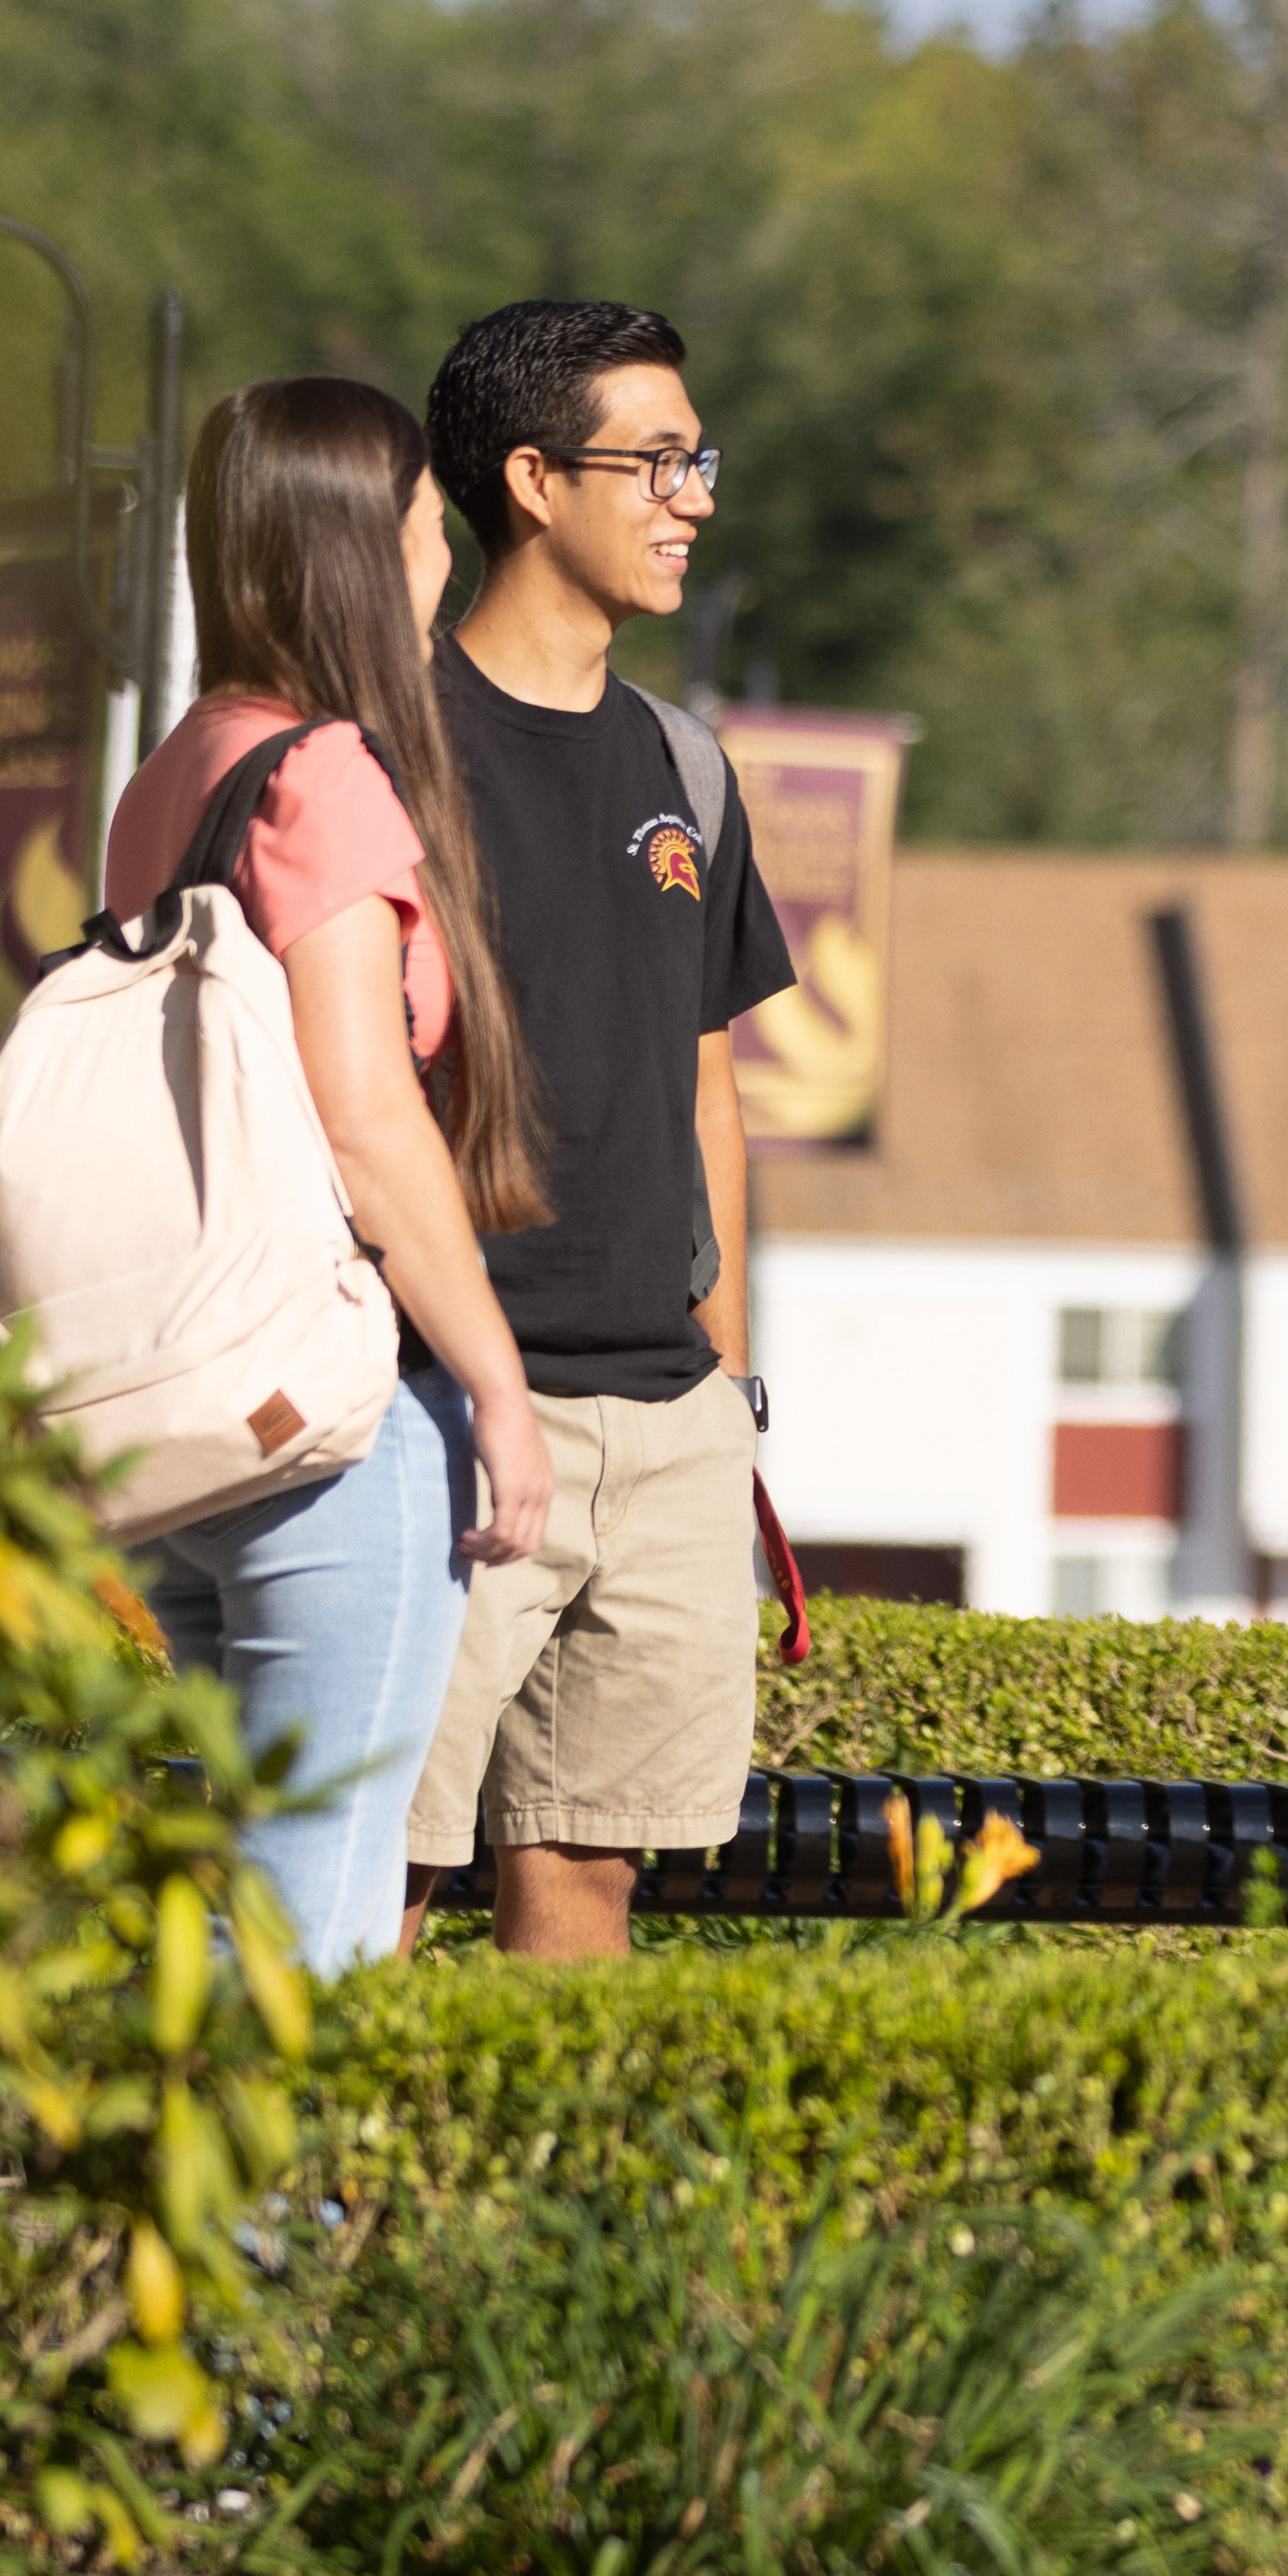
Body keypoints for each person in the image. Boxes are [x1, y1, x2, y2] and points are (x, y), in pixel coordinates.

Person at [98, 376, 560, 1973]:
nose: (444, 557)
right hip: (332, 1426)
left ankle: (173, 2211)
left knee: (238, 1879)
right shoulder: (325, 776)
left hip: (189, 1414)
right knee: (321, 1908)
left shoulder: (180, 769)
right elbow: (366, 1114)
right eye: (432, 526)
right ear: (365, 551)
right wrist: (498, 1387)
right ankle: (274, 2225)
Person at [401, 297, 796, 1961]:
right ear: (531, 480)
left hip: (667, 1428)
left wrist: (729, 1382)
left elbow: (710, 1085)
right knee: (379, 1873)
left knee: (590, 1872)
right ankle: (300, 2217)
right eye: (654, 459)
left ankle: (528, 2224)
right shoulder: (385, 748)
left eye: (695, 458)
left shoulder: (685, 767)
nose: (692, 493)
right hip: (441, 1419)